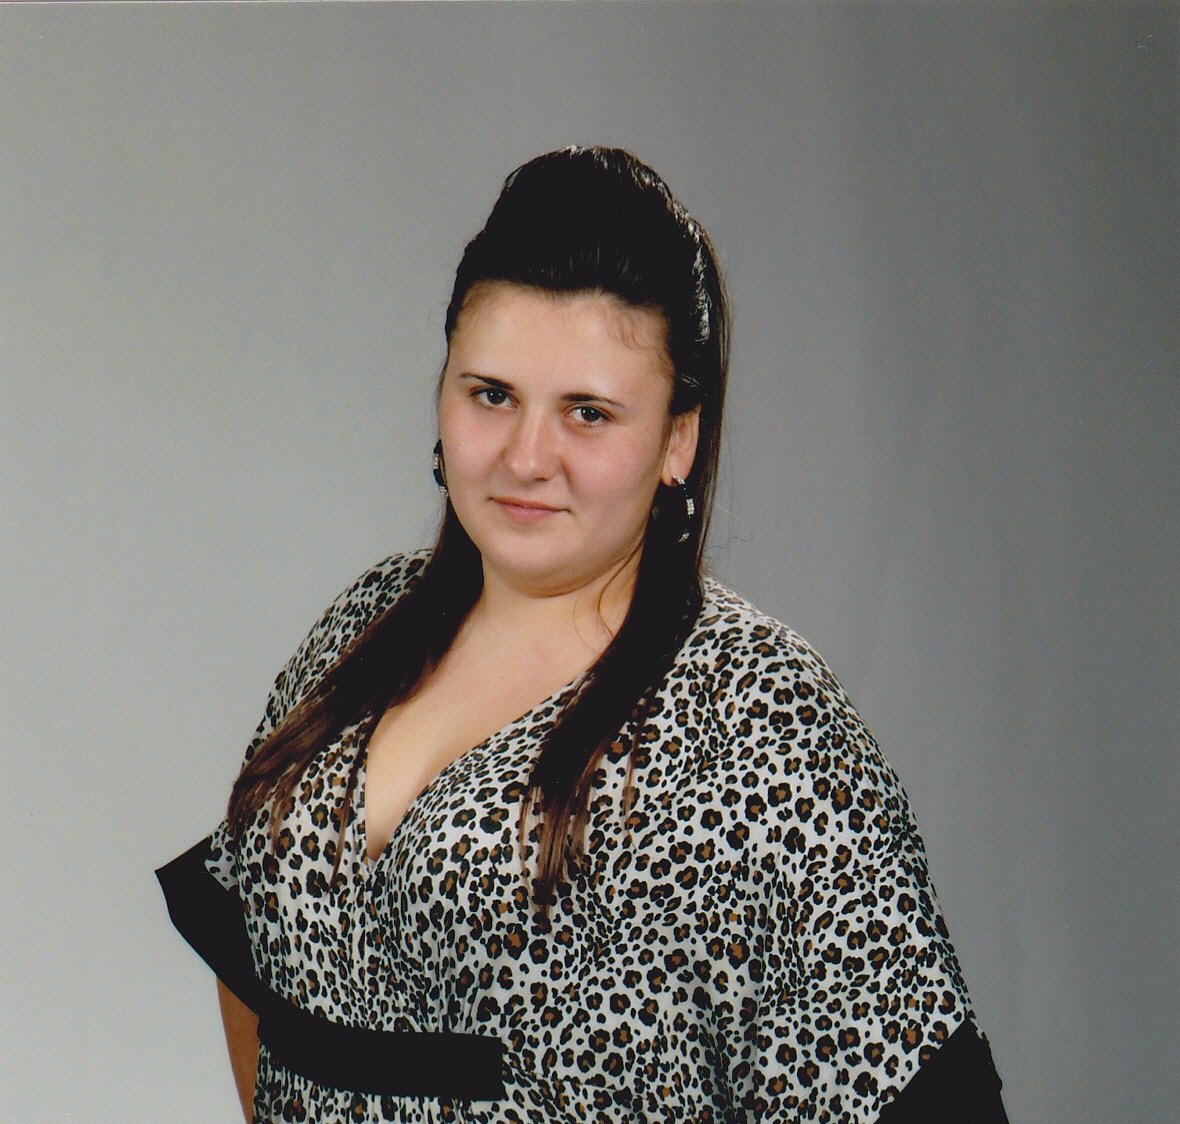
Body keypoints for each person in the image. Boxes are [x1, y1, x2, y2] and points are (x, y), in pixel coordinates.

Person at [158, 146, 1007, 1123]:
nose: (527, 457)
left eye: (588, 413)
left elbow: (914, 1086)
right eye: (491, 394)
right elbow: (248, 953)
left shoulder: (758, 721)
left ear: (679, 437)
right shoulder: (365, 626)